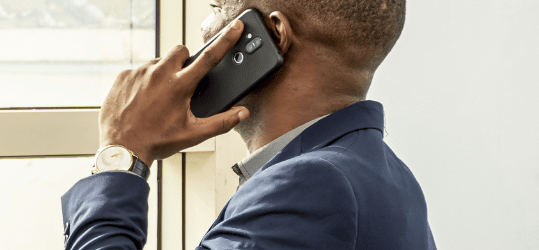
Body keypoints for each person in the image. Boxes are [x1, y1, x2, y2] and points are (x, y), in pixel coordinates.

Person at [60, 0, 437, 249]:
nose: (203, 30)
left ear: (271, 35)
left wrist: (123, 150)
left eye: (218, 6)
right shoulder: (389, 176)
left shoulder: (310, 187)